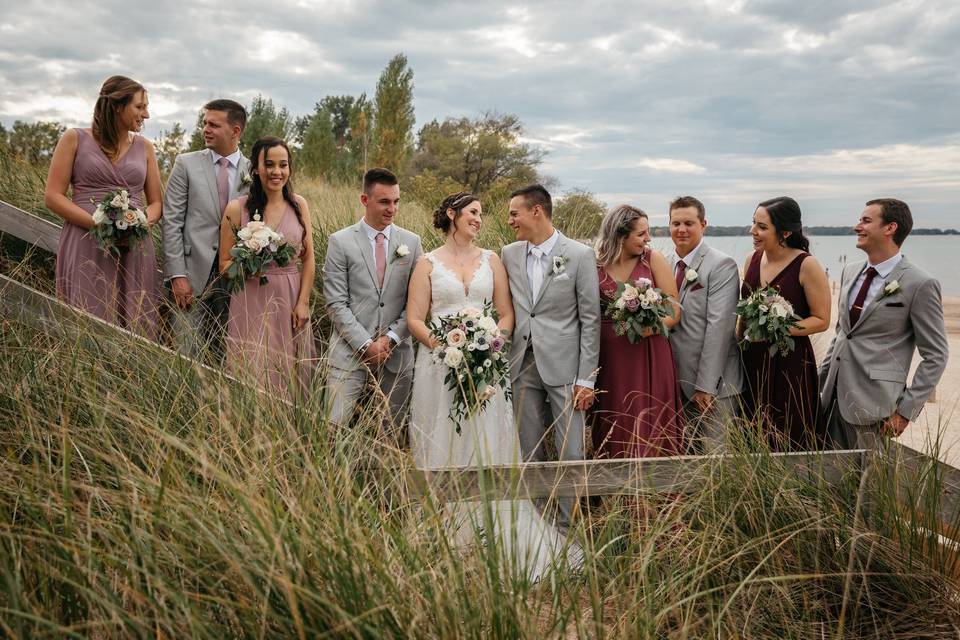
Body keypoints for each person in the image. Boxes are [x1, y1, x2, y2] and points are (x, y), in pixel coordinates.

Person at [407, 192, 580, 580]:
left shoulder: (493, 260)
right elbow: (415, 318)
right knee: (444, 438)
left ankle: (493, 527)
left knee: (487, 441)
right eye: (472, 213)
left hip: (487, 369)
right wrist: (447, 347)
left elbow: (506, 313)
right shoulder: (426, 263)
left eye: (481, 215)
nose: (478, 220)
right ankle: (447, 535)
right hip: (441, 369)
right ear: (451, 214)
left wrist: (487, 344)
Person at [501, 184, 600, 526]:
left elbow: (590, 320)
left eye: (515, 213)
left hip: (566, 369)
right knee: (530, 450)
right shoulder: (509, 254)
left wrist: (586, 378)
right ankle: (540, 527)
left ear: (536, 211)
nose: (510, 219)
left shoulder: (580, 254)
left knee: (570, 451)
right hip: (521, 364)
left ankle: (567, 525)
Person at [820, 199, 948, 449]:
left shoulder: (920, 283)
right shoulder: (850, 271)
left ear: (890, 228)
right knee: (825, 481)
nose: (857, 227)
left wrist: (906, 411)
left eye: (866, 221)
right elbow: (842, 334)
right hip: (830, 399)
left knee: (868, 485)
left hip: (875, 408)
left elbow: (936, 355)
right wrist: (820, 380)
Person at [44, 75, 162, 337]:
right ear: (118, 106)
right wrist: (99, 224)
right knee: (86, 319)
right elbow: (53, 196)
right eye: (140, 107)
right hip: (86, 240)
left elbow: (156, 203)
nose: (147, 114)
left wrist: (138, 224)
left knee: (136, 320)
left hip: (134, 245)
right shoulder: (74, 139)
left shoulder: (145, 148)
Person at [323, 168, 423, 431]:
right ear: (364, 200)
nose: (392, 209)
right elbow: (335, 303)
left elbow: (417, 304)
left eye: (396, 201)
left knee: (391, 434)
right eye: (384, 202)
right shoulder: (340, 242)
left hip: (397, 354)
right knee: (335, 428)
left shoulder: (411, 244)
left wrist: (389, 339)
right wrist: (366, 344)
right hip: (349, 353)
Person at [218, 137, 315, 394]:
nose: (276, 171)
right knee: (252, 367)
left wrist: (303, 302)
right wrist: (248, 265)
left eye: (283, 165)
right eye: (269, 164)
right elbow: (224, 265)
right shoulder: (237, 209)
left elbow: (308, 259)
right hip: (251, 299)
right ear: (256, 169)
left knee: (291, 372)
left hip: (290, 297)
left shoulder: (299, 205)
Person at [591, 205, 684, 458]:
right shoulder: (595, 263)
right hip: (610, 358)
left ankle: (656, 489)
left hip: (649, 351)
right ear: (621, 236)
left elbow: (674, 310)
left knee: (650, 417)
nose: (648, 239)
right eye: (641, 234)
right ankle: (615, 489)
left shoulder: (652, 259)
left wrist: (652, 326)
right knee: (616, 415)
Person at [739, 197, 831, 450]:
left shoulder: (807, 264)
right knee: (751, 433)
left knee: (790, 435)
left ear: (786, 232)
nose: (753, 231)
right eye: (753, 223)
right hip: (752, 363)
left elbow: (822, 320)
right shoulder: (751, 260)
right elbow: (743, 314)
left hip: (790, 366)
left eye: (762, 227)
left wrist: (776, 330)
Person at [163, 99, 250, 359]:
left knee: (227, 356)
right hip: (191, 277)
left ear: (236, 131)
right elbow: (172, 221)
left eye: (214, 124)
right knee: (185, 354)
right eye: (205, 123)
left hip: (236, 279)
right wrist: (177, 275)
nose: (206, 129)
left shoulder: (254, 171)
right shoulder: (185, 164)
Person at [667, 196, 743, 452]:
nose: (681, 229)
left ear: (703, 225)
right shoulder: (664, 264)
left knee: (714, 459)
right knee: (684, 457)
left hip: (714, 384)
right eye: (676, 223)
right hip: (675, 379)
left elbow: (719, 328)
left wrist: (705, 386)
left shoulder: (721, 265)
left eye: (689, 222)